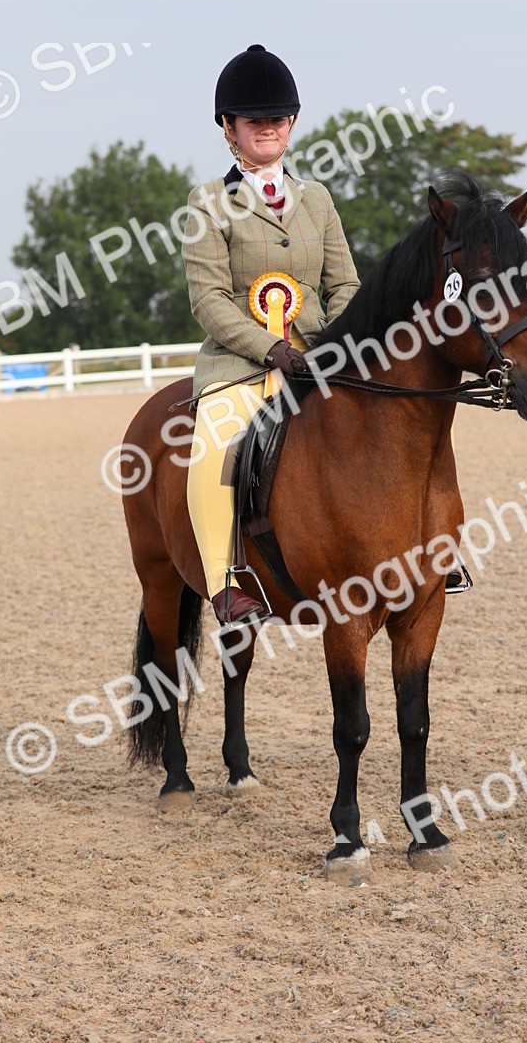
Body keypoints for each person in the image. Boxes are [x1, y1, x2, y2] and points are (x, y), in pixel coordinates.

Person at [181, 44, 361, 626]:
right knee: (214, 444)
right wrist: (271, 348)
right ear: (228, 129)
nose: (266, 129)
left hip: (317, 358)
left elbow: (346, 284)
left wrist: (338, 343)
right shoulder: (208, 203)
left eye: (276, 119)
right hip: (241, 363)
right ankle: (225, 579)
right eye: (253, 120)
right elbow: (208, 300)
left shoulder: (318, 200)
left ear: (293, 124)